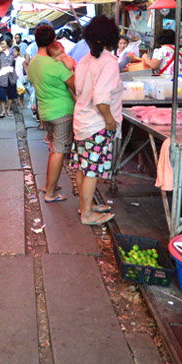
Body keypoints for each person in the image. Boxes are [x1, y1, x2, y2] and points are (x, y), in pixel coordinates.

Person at [70, 15, 123, 226]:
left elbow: (79, 89)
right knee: (91, 170)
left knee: (83, 167)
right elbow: (101, 98)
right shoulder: (109, 62)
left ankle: (86, 206)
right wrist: (109, 120)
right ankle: (87, 215)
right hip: (96, 125)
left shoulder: (85, 60)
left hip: (82, 121)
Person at [28, 24, 75, 202]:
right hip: (62, 112)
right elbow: (76, 85)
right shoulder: (56, 65)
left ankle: (49, 184)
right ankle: (50, 193)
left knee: (53, 148)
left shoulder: (33, 63)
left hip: (45, 112)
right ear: (54, 39)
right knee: (58, 151)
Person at [0, 36, 16, 117]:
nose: (2, 45)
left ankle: (8, 109)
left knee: (11, 94)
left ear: (8, 43)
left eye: (3, 44)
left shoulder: (12, 51)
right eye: (1, 43)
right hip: (1, 76)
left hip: (11, 76)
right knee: (2, 94)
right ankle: (3, 111)